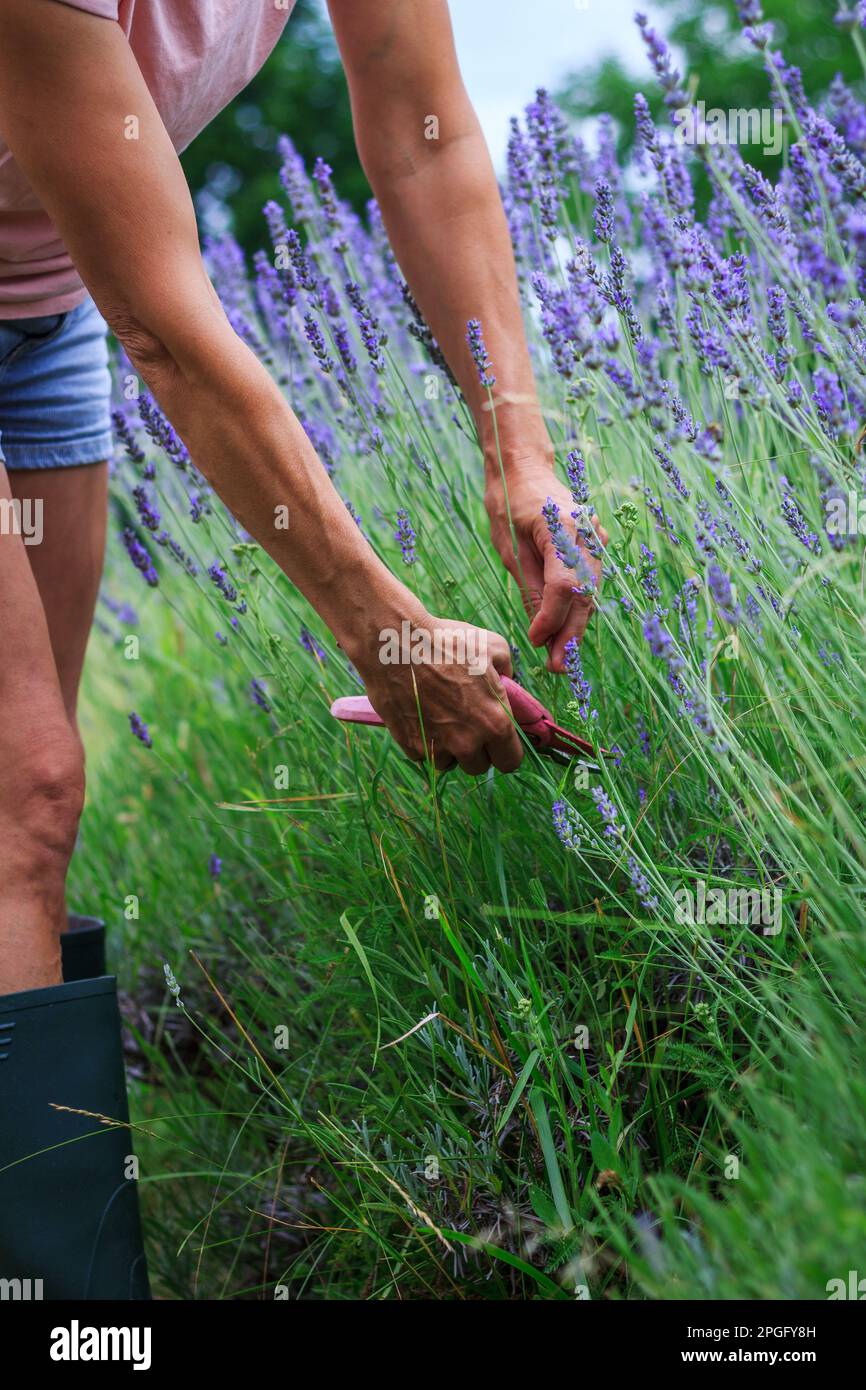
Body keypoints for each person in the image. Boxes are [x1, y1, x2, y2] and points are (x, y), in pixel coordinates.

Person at [0, 0, 603, 1298]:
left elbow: (424, 134)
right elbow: (167, 327)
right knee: (23, 791)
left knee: (23, 844)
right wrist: (387, 633)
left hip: (40, 316)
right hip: (95, 297)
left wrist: (519, 451)